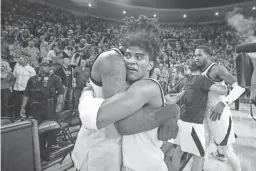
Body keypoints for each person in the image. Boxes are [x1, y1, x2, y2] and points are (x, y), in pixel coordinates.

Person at [72, 15, 180, 171]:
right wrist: (170, 111)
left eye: (139, 55)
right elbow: (123, 122)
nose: (131, 60)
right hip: (99, 154)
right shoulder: (112, 59)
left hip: (126, 157)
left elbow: (138, 109)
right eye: (129, 54)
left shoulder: (141, 80)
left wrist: (171, 112)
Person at [194, 45, 245, 171]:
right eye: (195, 55)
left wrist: (223, 103)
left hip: (218, 113)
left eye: (199, 55)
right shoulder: (198, 70)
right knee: (202, 149)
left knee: (226, 150)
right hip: (204, 114)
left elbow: (240, 86)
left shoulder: (216, 69)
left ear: (208, 56)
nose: (196, 58)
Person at [169, 61, 227, 171]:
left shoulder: (187, 80)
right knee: (200, 156)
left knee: (178, 152)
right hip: (193, 124)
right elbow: (222, 91)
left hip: (183, 120)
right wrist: (224, 84)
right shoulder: (203, 79)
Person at [20, 59, 64, 149]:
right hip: (37, 107)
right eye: (45, 65)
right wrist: (23, 108)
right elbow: (26, 94)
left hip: (50, 107)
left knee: (51, 126)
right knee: (39, 128)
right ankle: (40, 148)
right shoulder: (32, 80)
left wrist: (60, 103)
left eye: (49, 66)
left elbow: (61, 92)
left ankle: (52, 145)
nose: (48, 67)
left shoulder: (55, 78)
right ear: (39, 67)